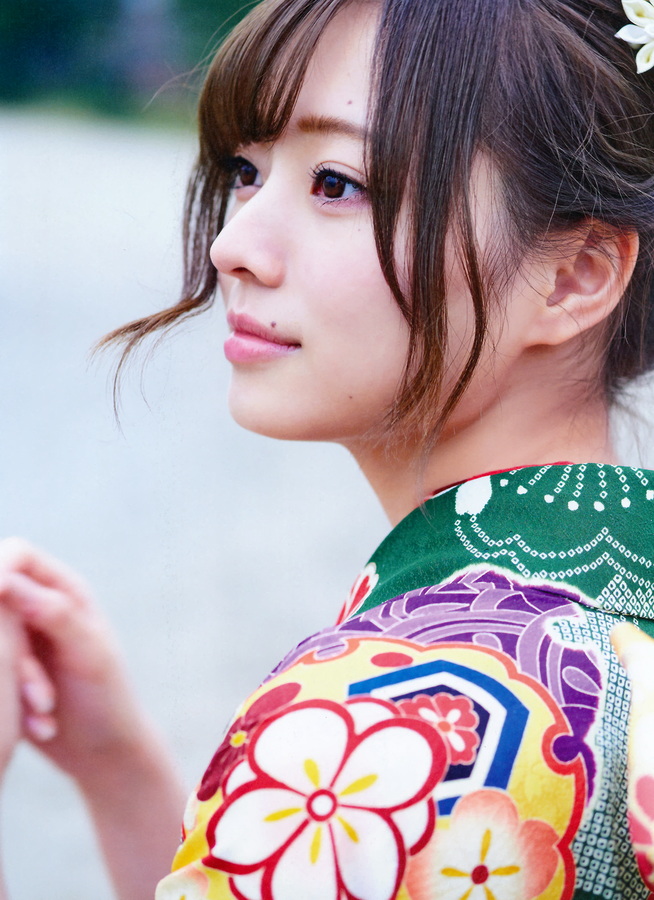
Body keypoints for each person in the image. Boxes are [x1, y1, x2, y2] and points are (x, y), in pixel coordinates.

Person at [3, 0, 654, 896]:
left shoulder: (395, 729)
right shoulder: (602, 614)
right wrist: (117, 767)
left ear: (574, 276)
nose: (232, 246)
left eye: (337, 184)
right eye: (246, 170)